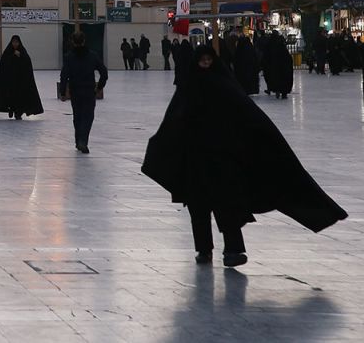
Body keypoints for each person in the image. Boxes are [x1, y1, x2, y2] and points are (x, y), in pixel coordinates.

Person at [142, 43, 348, 267]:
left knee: (227, 206)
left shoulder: (224, 86)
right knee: (198, 209)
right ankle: (203, 250)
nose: (206, 66)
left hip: (222, 160)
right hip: (195, 161)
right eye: (202, 62)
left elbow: (249, 118)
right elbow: (173, 121)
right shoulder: (188, 89)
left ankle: (234, 250)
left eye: (209, 61)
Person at [59, 31, 107, 153]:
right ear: (84, 41)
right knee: (88, 116)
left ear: (73, 42)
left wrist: (63, 92)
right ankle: (83, 141)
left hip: (75, 91)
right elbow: (104, 73)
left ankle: (78, 141)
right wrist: (99, 87)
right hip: (89, 90)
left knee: (77, 116)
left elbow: (64, 75)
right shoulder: (92, 55)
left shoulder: (69, 57)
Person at [0, 35, 43, 120]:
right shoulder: (7, 52)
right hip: (10, 81)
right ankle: (12, 110)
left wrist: (20, 56)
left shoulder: (22, 52)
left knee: (19, 98)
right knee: (11, 96)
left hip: (20, 81)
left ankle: (18, 113)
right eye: (13, 42)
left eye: (16, 42)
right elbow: (3, 64)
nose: (15, 44)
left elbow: (27, 64)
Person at [261, 35, 294, 100]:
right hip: (284, 70)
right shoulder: (284, 51)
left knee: (277, 80)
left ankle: (277, 90)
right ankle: (284, 93)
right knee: (284, 81)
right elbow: (289, 60)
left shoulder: (274, 50)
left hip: (276, 69)